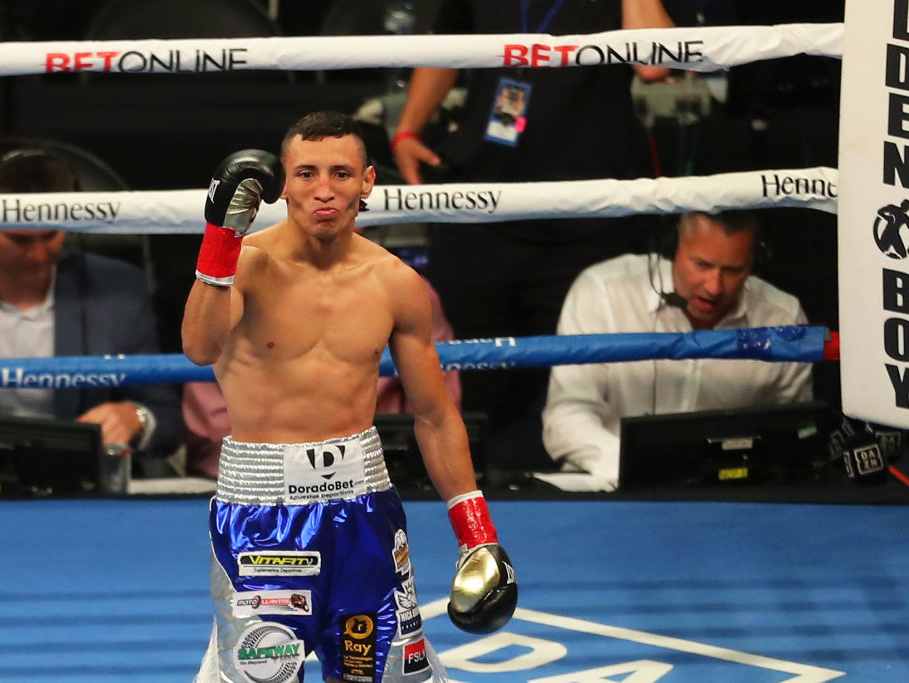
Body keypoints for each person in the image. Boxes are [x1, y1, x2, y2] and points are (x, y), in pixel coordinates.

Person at [183, 111, 516, 683]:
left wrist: (477, 534)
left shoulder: (395, 282)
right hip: (261, 517)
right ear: (283, 185)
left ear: (367, 182)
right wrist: (221, 240)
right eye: (306, 173)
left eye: (340, 173)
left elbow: (435, 415)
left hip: (363, 510)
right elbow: (198, 346)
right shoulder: (247, 267)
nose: (323, 190)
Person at [390, 0, 697, 471]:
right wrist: (408, 128)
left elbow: (653, 65)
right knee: (466, 386)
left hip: (587, 215)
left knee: (569, 391)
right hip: (482, 205)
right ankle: (466, 502)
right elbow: (446, 40)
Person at [0, 137, 183, 475]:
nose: (38, 255)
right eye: (20, 240)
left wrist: (135, 419)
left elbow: (167, 418)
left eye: (50, 235)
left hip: (78, 484)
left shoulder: (118, 291)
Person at [542, 211, 814, 490]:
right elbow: (567, 416)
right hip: (610, 489)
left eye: (733, 270)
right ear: (672, 247)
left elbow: (795, 435)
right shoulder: (603, 291)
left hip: (727, 495)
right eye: (701, 265)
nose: (714, 287)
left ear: (756, 261)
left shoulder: (783, 320)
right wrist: (634, 467)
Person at [180, 274, 461, 479]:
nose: (325, 201)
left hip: (375, 476)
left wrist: (474, 527)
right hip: (254, 482)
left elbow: (436, 412)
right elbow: (201, 355)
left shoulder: (398, 282)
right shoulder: (235, 278)